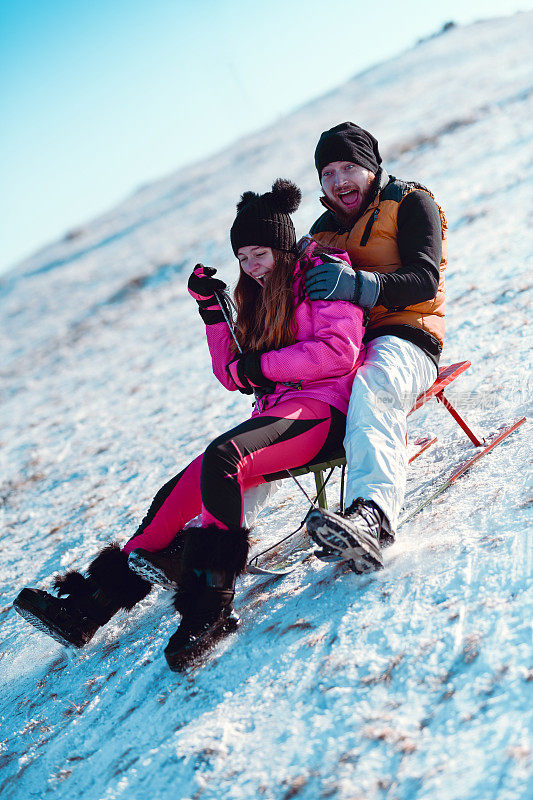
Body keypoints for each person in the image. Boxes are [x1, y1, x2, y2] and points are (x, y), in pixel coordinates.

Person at [14, 179, 365, 670]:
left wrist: (261, 368)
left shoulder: (324, 274)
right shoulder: (261, 294)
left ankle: (211, 608)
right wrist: (213, 313)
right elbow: (232, 373)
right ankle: (90, 607)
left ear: (282, 247)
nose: (252, 267)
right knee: (176, 490)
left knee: (224, 460)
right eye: (243, 258)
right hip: (275, 416)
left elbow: (338, 351)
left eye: (259, 253)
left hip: (323, 411)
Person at [303, 121, 446, 572]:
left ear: (371, 167)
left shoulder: (409, 202)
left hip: (408, 336)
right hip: (342, 350)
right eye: (328, 173)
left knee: (373, 385)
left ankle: (371, 517)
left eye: (349, 167)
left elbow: (425, 278)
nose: (339, 180)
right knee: (283, 410)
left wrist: (360, 286)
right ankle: (208, 545)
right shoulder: (320, 232)